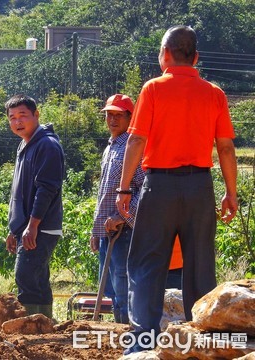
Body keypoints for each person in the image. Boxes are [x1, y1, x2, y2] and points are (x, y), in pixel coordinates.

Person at [116, 25, 238, 354]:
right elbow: (225, 148)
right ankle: (203, 341)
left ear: (165, 55)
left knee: (146, 261)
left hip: (160, 187)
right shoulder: (214, 93)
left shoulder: (153, 89)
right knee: (200, 264)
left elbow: (137, 139)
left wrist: (124, 188)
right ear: (196, 57)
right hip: (200, 187)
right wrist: (231, 191)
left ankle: (141, 341)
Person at [4, 94, 65, 318]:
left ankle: (31, 330)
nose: (18, 122)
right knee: (36, 279)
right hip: (28, 227)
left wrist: (32, 225)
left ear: (36, 115)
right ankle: (43, 329)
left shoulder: (47, 145)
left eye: (23, 116)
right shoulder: (26, 145)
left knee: (26, 276)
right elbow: (20, 194)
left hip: (41, 226)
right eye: (12, 118)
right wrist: (15, 229)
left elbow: (47, 188)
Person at [90, 94, 145, 324]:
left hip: (125, 232)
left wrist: (121, 216)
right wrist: (96, 232)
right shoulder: (111, 147)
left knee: (123, 290)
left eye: (118, 115)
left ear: (130, 117)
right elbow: (104, 194)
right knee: (112, 291)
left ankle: (130, 339)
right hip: (107, 233)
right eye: (109, 115)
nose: (112, 119)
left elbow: (145, 189)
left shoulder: (132, 148)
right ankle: (118, 342)